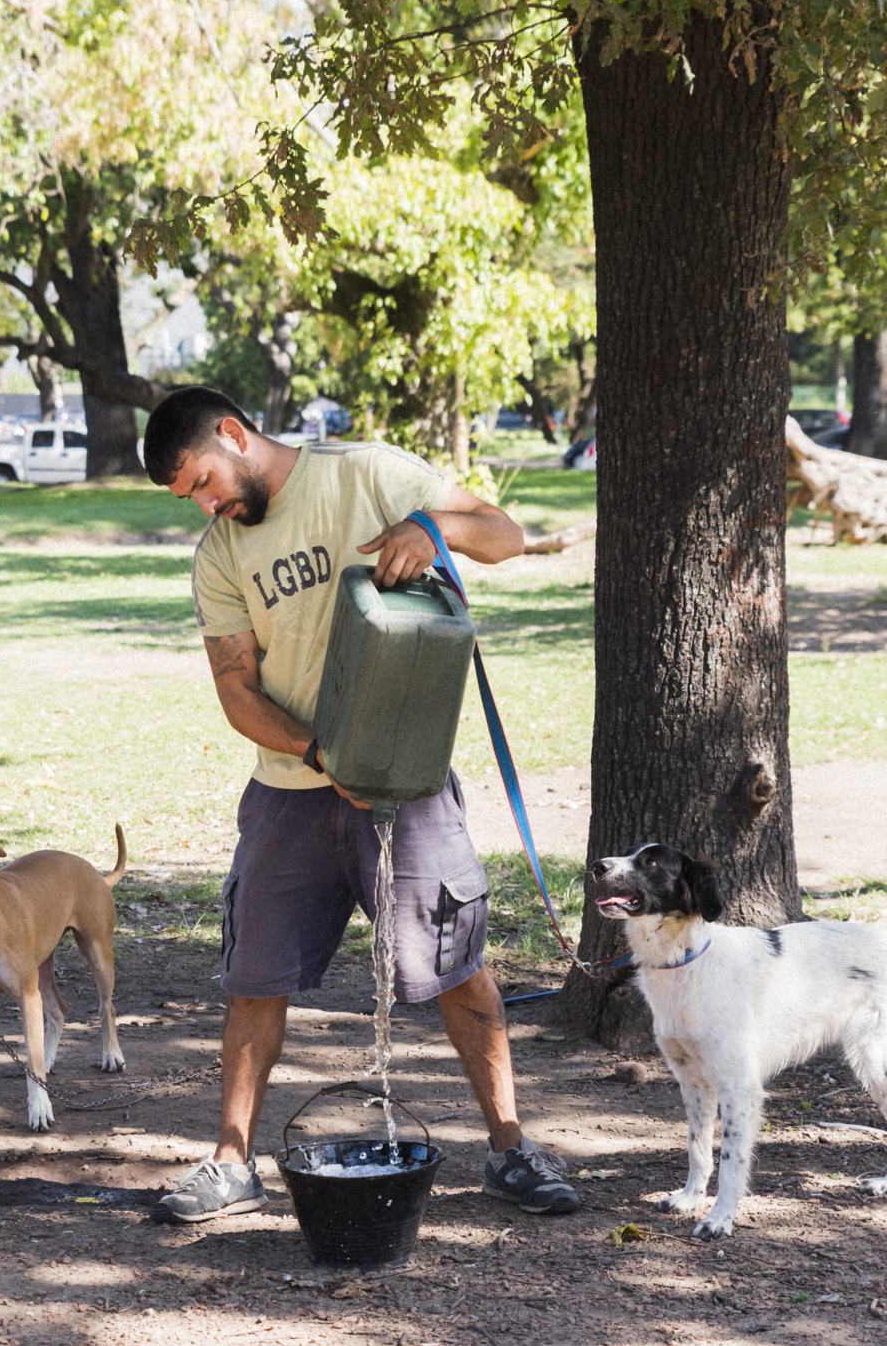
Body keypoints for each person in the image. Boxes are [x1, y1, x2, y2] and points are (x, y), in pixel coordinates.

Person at [142, 387, 580, 1224]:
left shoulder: (369, 473)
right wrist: (320, 754)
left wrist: (432, 529)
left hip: (407, 782)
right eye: (189, 497)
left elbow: (505, 534)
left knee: (459, 967)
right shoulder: (219, 556)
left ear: (234, 435)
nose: (205, 506)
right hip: (290, 791)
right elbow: (236, 691)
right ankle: (231, 1164)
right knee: (254, 980)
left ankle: (512, 1150)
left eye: (203, 481)